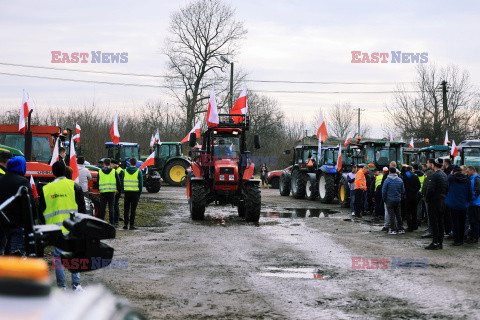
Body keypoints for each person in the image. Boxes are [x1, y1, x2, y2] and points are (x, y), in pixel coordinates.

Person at [39, 161, 85, 291]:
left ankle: (61, 287)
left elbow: (41, 211)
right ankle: (76, 285)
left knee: (58, 258)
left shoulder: (46, 189)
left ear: (52, 173)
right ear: (65, 171)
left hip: (54, 230)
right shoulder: (75, 186)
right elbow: (82, 209)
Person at [0, 156, 36, 255]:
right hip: (18, 224)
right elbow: (30, 203)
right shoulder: (23, 182)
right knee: (16, 255)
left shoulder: (1, 180)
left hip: (2, 223)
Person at [425, 158, 449, 250]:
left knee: (434, 222)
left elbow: (430, 189)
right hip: (442, 201)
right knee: (440, 222)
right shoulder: (444, 175)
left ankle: (434, 242)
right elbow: (447, 188)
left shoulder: (434, 176)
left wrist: (427, 199)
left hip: (434, 201)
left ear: (433, 165)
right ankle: (440, 243)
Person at [445, 166, 471, 246]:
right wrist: (467, 202)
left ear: (453, 172)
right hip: (463, 204)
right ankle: (461, 240)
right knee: (462, 222)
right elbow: (469, 193)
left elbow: (446, 189)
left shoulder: (451, 179)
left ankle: (456, 240)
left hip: (453, 204)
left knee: (455, 222)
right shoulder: (467, 180)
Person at [382, 167, 405, 235]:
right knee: (398, 214)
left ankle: (393, 229)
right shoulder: (400, 180)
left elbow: (384, 191)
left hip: (389, 200)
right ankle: (401, 229)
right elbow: (403, 190)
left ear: (389, 172)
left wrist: (384, 199)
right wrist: (399, 197)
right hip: (397, 200)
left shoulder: (387, 180)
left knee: (391, 215)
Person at [98, 158, 121, 224]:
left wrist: (99, 189)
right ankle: (112, 222)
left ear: (104, 163)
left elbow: (97, 182)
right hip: (111, 192)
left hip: (103, 192)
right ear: (110, 163)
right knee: (111, 208)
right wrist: (118, 190)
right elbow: (118, 182)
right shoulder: (114, 171)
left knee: (102, 208)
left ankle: (101, 222)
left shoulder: (100, 171)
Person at [123, 158, 143, 230]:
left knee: (126, 209)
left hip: (127, 192)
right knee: (133, 210)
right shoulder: (139, 172)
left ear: (130, 163)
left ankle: (125, 224)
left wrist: (123, 190)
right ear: (136, 163)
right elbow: (140, 184)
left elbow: (122, 181)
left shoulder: (124, 171)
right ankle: (131, 225)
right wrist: (140, 192)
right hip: (135, 193)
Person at [403, 166, 421, 232]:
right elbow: (419, 186)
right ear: (411, 170)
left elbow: (404, 186)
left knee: (408, 212)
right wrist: (415, 190)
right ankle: (415, 226)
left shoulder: (404, 176)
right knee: (414, 212)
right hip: (415, 196)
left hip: (407, 196)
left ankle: (409, 227)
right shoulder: (415, 176)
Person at [421, 159, 435, 238]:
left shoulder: (429, 173)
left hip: (428, 196)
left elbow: (425, 185)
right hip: (434, 197)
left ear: (431, 164)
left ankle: (430, 231)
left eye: (427, 162)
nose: (427, 164)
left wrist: (423, 194)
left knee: (429, 214)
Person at [466, 166, 480, 244]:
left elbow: (477, 190)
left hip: (475, 204)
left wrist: (472, 197)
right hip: (473, 203)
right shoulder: (472, 179)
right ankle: (473, 237)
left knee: (475, 221)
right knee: (473, 221)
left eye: (468, 171)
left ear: (472, 171)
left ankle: (475, 237)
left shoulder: (476, 179)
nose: (467, 173)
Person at [112, 160, 124, 227]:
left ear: (114, 164)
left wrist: (118, 190)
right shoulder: (119, 170)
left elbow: (119, 182)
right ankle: (117, 217)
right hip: (117, 189)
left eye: (112, 164)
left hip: (117, 190)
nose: (111, 165)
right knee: (116, 204)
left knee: (115, 204)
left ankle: (116, 219)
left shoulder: (119, 171)